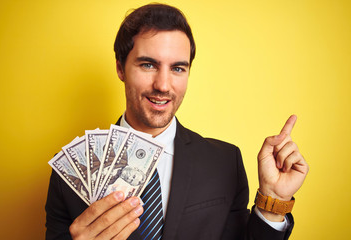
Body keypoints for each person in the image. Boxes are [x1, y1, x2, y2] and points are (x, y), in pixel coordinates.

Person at [45, 3, 309, 240]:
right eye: (148, 65)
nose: (163, 85)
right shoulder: (69, 171)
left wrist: (273, 202)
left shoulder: (226, 162)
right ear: (119, 68)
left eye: (177, 68)